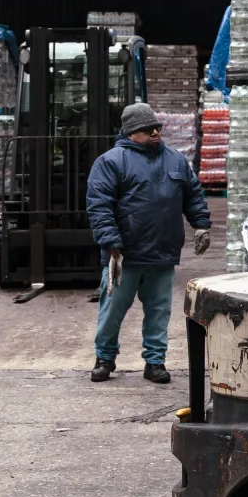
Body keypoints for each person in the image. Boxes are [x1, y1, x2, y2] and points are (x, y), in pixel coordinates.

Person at [85, 101, 211, 383]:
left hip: (162, 254)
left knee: (159, 312)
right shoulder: (111, 162)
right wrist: (111, 244)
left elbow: (193, 194)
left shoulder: (175, 160)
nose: (155, 132)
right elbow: (99, 206)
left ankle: (155, 362)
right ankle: (104, 358)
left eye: (156, 127)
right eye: (147, 129)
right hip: (124, 255)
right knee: (112, 311)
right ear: (131, 132)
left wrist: (201, 225)